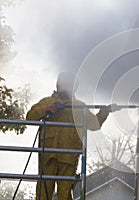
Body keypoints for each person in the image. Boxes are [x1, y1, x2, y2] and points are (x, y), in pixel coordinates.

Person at [26, 72, 110, 200]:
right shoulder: (47, 102)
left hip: (69, 155)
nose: (66, 88)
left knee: (65, 192)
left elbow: (94, 125)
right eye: (64, 85)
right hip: (49, 153)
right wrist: (46, 109)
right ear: (58, 86)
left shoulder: (79, 106)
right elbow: (30, 117)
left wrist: (104, 112)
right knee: (44, 189)